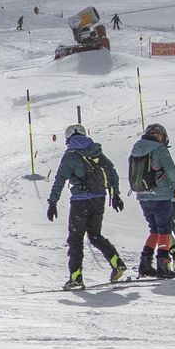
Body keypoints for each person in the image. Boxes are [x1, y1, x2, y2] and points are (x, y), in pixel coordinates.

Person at [45, 123, 129, 289]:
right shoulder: (96, 151)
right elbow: (112, 173)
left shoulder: (70, 155)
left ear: (68, 138)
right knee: (95, 235)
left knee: (76, 239)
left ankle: (76, 277)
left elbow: (60, 180)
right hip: (99, 199)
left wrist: (53, 202)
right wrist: (116, 194)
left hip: (80, 201)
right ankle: (117, 262)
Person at [127, 123, 175, 278]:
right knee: (164, 230)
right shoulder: (160, 150)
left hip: (143, 196)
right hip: (161, 196)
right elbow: (172, 170)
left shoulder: (135, 151)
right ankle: (163, 266)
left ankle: (144, 265)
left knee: (154, 230)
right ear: (161, 136)